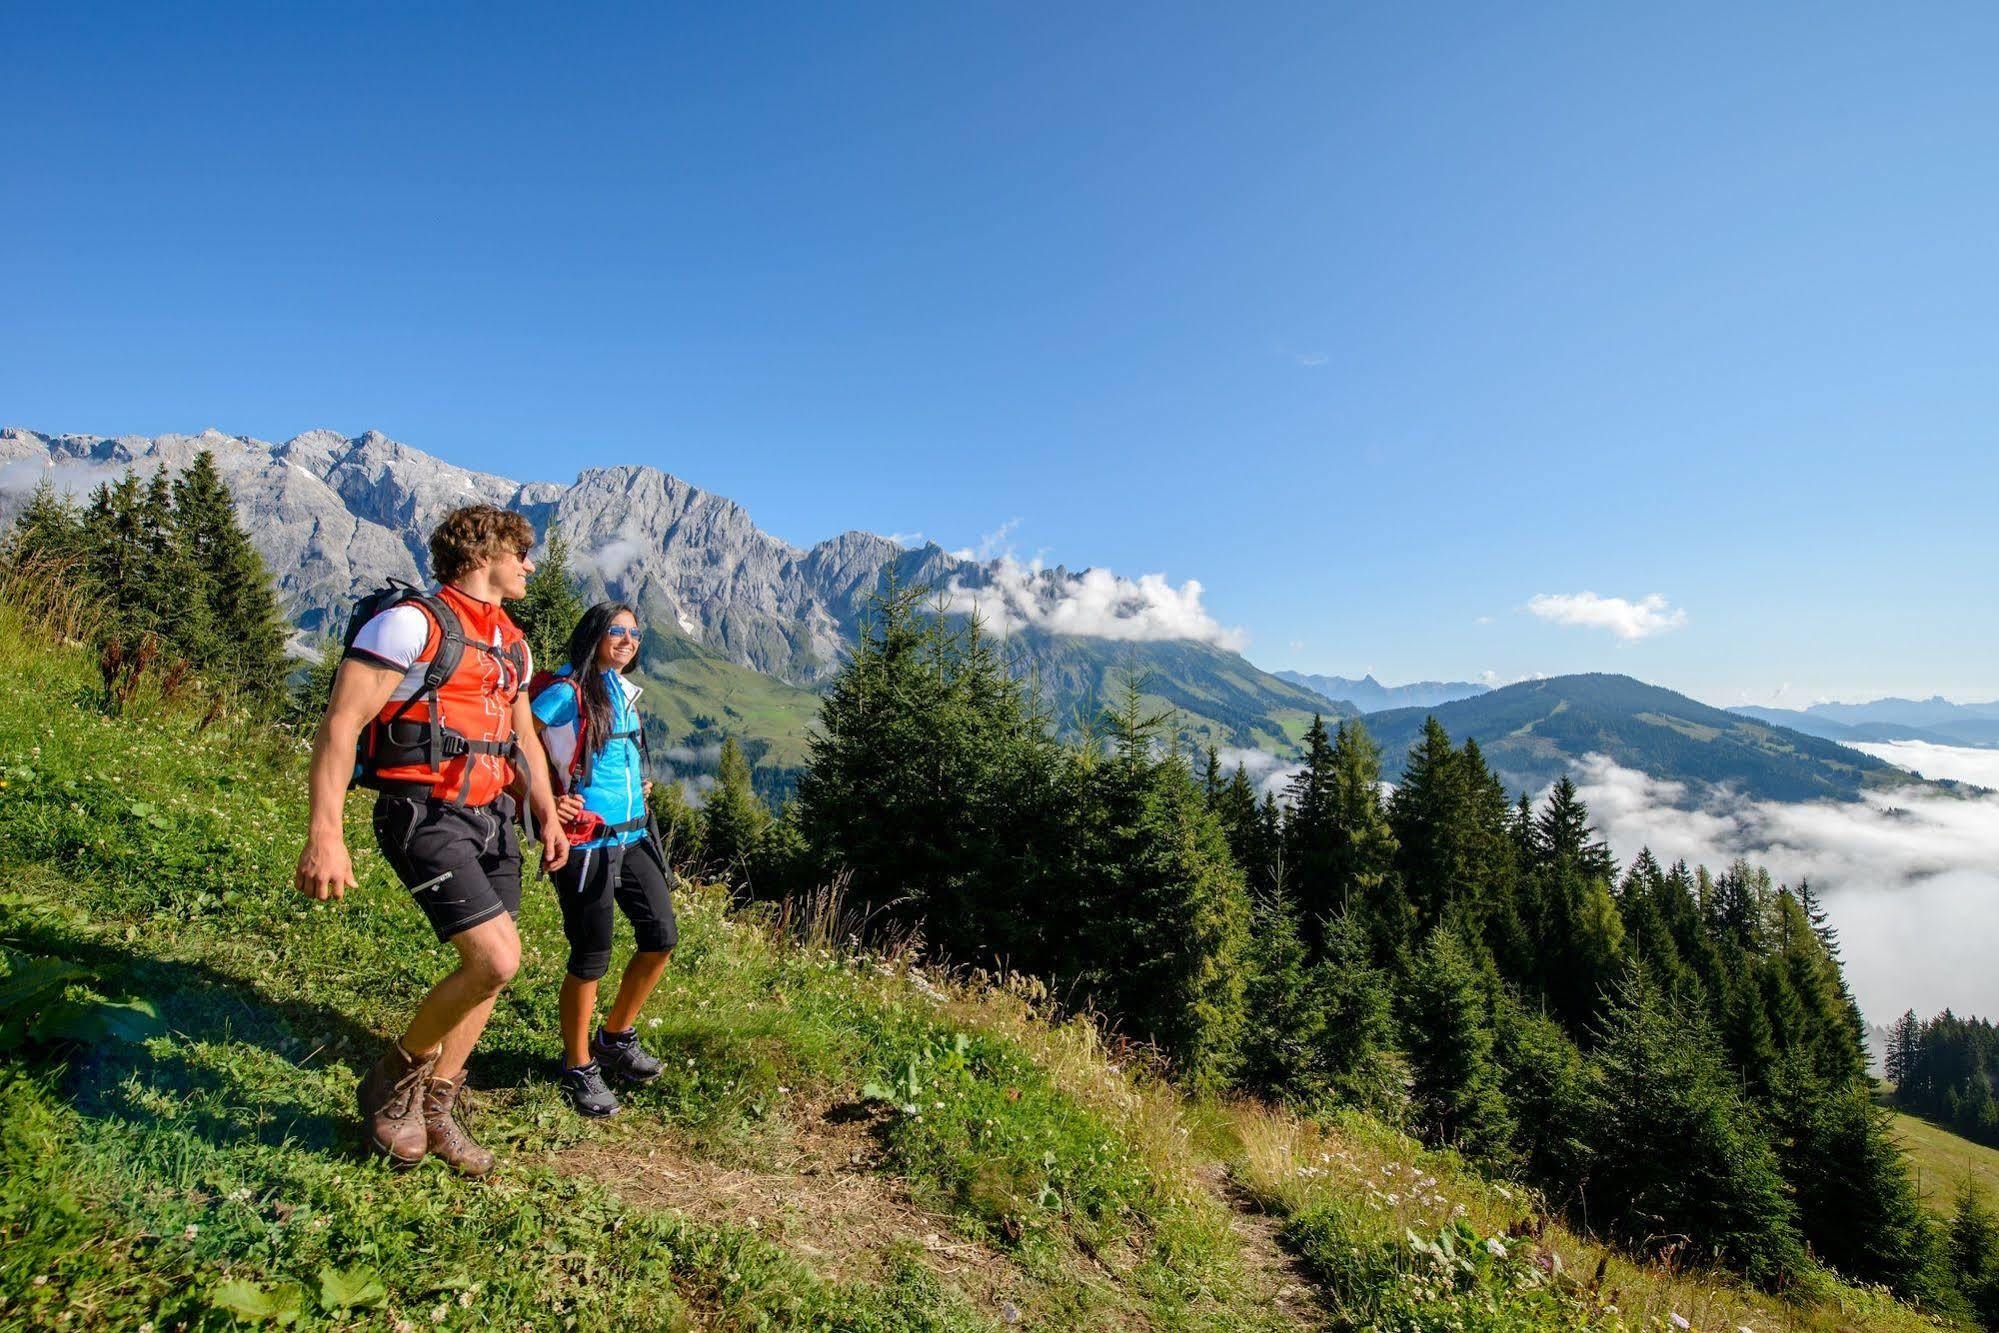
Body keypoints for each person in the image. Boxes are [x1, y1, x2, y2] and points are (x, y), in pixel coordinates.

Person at [293, 505, 569, 1175]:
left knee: (493, 975)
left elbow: (520, 732)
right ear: (482, 553)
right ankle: (393, 1079)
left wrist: (543, 808)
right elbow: (340, 724)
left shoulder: (513, 641)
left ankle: (437, 1105)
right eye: (519, 552)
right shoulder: (411, 623)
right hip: (423, 812)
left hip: (490, 819)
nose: (529, 565)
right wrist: (324, 834)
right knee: (496, 960)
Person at [530, 602, 677, 1116]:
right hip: (585, 844)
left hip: (634, 838)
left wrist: (640, 785)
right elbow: (513, 738)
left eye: (635, 633)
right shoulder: (566, 692)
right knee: (592, 955)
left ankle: (614, 1038)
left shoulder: (622, 691)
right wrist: (545, 797)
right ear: (593, 634)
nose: (627, 639)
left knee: (661, 937)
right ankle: (577, 1065)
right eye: (616, 631)